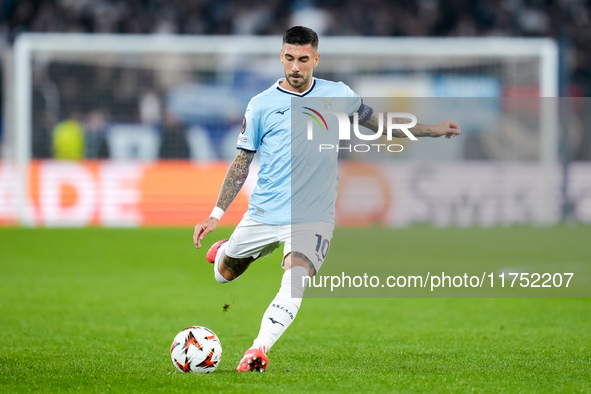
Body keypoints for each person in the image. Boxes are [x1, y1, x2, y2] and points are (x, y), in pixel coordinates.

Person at [193, 26, 461, 372]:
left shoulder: (338, 95)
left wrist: (431, 129)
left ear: (316, 59)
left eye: (303, 60)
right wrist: (216, 213)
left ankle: (258, 349)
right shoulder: (261, 105)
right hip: (265, 213)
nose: (295, 68)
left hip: (313, 215)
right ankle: (227, 250)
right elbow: (242, 162)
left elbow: (379, 124)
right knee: (225, 274)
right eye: (289, 58)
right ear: (281, 57)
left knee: (296, 279)